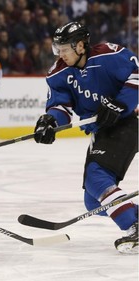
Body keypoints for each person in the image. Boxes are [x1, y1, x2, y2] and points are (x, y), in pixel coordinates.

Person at [33, 22, 138, 254]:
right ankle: (133, 214)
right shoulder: (59, 72)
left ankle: (134, 226)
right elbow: (60, 106)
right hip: (101, 130)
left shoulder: (109, 55)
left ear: (80, 45)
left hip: (128, 121)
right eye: (57, 49)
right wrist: (50, 121)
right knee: (93, 201)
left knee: (96, 177)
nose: (60, 55)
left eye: (64, 49)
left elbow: (136, 75)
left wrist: (121, 103)